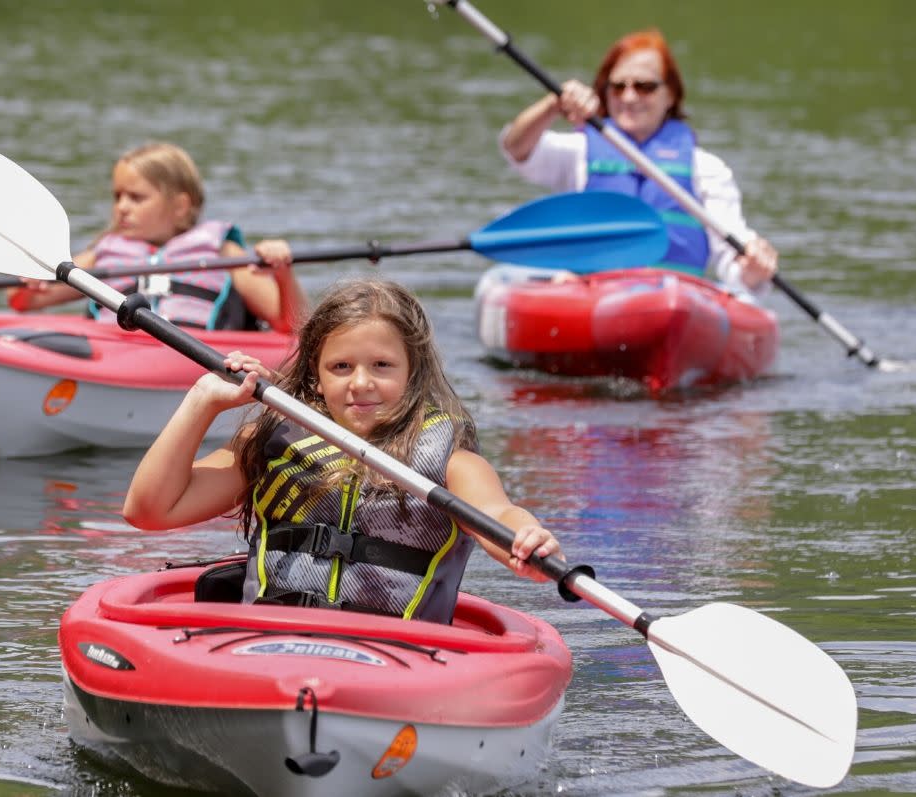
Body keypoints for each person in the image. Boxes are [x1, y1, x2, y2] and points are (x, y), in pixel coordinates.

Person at [123, 278, 563, 624]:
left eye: (382, 366)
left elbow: (499, 517)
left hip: (397, 659)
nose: (360, 383)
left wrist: (529, 541)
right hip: (268, 645)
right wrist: (203, 401)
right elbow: (150, 510)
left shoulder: (449, 461)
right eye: (341, 367)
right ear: (315, 377)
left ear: (413, 374)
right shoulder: (273, 444)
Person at [499, 29, 779, 298]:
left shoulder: (706, 169)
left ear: (670, 95)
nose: (629, 97)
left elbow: (733, 259)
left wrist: (754, 267)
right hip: (589, 296)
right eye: (618, 87)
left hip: (675, 301)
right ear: (605, 92)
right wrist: (552, 105)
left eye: (644, 87)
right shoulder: (579, 152)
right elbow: (517, 148)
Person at [7, 141, 308, 333]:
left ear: (180, 206)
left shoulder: (221, 251)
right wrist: (30, 281)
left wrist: (283, 274)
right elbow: (24, 302)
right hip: (112, 358)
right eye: (118, 196)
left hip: (192, 365)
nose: (121, 207)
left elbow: (289, 322)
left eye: (136, 198)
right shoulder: (106, 253)